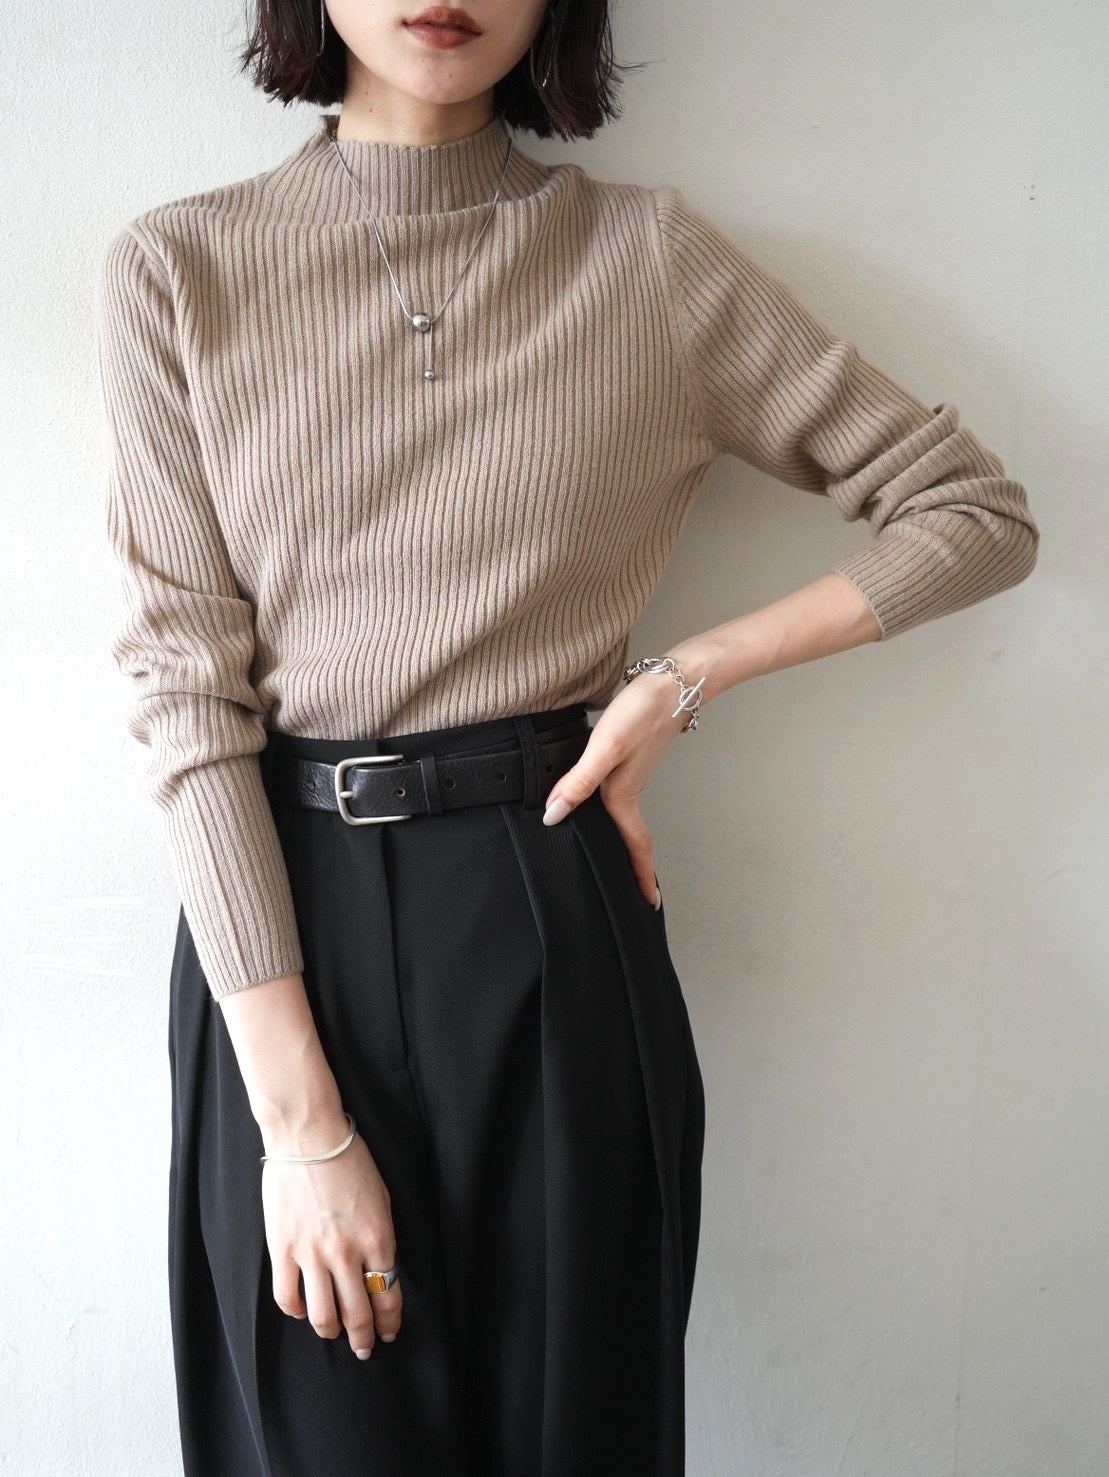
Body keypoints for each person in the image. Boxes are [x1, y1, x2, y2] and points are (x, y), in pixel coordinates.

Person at [92, 1, 1040, 1473]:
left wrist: (685, 675)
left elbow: (971, 513)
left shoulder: (644, 258)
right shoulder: (179, 267)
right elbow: (182, 690)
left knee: (576, 1436)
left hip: (549, 905)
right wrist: (303, 1131)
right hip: (279, 929)